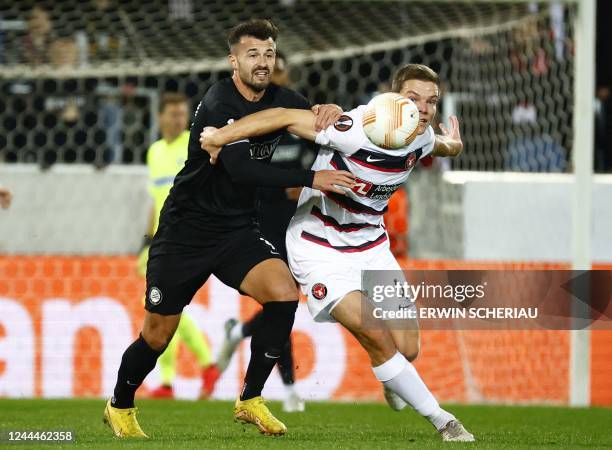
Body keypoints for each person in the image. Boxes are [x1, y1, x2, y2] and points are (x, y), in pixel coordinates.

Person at [103, 19, 352, 438]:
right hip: (186, 230)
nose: (262, 62)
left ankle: (251, 398)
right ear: (233, 60)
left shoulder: (284, 99)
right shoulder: (218, 102)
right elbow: (239, 168)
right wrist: (311, 179)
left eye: (269, 53)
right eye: (252, 54)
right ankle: (120, 405)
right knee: (158, 334)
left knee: (283, 292)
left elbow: (322, 126)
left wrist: (332, 112)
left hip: (236, 228)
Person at [200, 64, 475, 442]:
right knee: (374, 335)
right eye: (413, 98)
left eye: (431, 101)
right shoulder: (353, 129)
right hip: (320, 249)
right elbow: (280, 117)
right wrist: (220, 135)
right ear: (394, 97)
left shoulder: (420, 136)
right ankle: (445, 421)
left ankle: (394, 377)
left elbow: (443, 145)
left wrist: (456, 144)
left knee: (408, 348)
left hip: (373, 247)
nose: (423, 109)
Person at [216, 51, 312, 413]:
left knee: (285, 302)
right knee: (281, 300)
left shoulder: (300, 120)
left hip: (299, 220)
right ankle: (288, 388)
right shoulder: (254, 120)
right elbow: (249, 172)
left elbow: (317, 161)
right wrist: (289, 182)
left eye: (280, 69)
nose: (276, 75)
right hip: (263, 219)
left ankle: (238, 334)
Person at [137, 92, 220, 400]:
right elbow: (154, 200)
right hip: (161, 239)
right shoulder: (154, 152)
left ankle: (201, 366)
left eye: (182, 113)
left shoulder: (195, 143)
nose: (178, 119)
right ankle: (171, 381)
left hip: (187, 238)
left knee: (164, 308)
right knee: (162, 310)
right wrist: (146, 240)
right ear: (159, 117)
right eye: (172, 114)